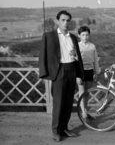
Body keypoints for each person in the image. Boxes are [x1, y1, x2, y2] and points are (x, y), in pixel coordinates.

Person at [39, 10, 84, 142]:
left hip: (71, 70)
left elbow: (77, 57)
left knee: (68, 103)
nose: (65, 23)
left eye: (68, 20)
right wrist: (45, 73)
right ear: (57, 21)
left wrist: (78, 73)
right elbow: (43, 55)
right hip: (59, 71)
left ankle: (64, 128)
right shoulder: (49, 36)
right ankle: (56, 131)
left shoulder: (73, 37)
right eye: (63, 20)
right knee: (58, 103)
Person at [77, 26, 100, 121]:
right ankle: (84, 114)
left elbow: (95, 60)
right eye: (83, 35)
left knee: (87, 93)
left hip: (90, 71)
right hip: (81, 72)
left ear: (89, 35)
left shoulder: (92, 46)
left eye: (87, 35)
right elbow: (75, 60)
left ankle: (85, 112)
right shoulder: (77, 46)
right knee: (82, 93)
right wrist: (77, 75)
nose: (85, 37)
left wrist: (97, 72)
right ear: (79, 35)